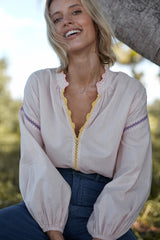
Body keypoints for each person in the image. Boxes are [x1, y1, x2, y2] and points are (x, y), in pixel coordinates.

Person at [0, 0, 152, 239]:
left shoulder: (130, 91)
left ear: (94, 18)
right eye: (57, 18)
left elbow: (132, 173)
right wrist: (53, 230)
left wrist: (103, 233)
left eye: (76, 11)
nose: (66, 22)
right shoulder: (39, 85)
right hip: (40, 211)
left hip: (103, 212)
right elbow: (34, 160)